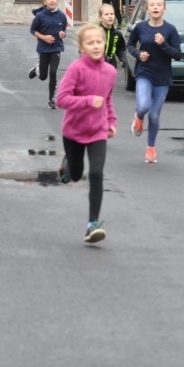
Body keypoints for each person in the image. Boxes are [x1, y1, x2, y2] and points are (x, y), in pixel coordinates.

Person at [55, 24, 118, 243]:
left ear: (104, 43)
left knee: (97, 174)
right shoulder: (76, 69)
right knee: (74, 175)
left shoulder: (110, 71)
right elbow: (61, 99)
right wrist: (88, 101)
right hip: (73, 131)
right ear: (82, 47)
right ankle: (66, 164)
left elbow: (107, 98)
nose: (96, 46)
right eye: (90, 42)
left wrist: (111, 121)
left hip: (98, 132)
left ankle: (92, 225)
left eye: (99, 41)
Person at [126, 0, 182, 163]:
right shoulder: (140, 27)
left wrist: (164, 44)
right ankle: (138, 117)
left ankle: (150, 148)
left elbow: (178, 55)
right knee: (143, 106)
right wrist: (138, 54)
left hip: (162, 77)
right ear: (147, 9)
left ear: (164, 9)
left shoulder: (170, 30)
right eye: (152, 5)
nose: (156, 7)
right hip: (144, 72)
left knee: (155, 115)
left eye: (159, 5)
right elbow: (129, 45)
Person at [29, 0, 67, 109]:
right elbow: (33, 30)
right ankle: (37, 69)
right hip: (43, 48)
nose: (51, 1)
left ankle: (51, 99)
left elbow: (64, 30)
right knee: (43, 76)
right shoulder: (40, 16)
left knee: (53, 72)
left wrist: (63, 34)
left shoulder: (61, 15)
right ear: (45, 2)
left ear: (56, 0)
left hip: (56, 48)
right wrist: (43, 37)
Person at [97, 4, 127, 69]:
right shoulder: (94, 32)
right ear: (100, 17)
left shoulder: (117, 34)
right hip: (95, 67)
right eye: (106, 14)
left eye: (112, 14)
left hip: (110, 67)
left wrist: (125, 61)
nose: (110, 16)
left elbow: (121, 50)